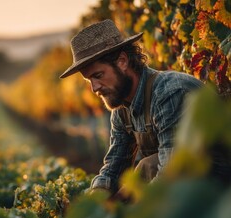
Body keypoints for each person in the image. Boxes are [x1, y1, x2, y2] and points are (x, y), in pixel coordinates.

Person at [60, 19, 203, 195]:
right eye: (89, 80)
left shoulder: (169, 92)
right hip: (186, 191)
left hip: (217, 195)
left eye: (98, 76)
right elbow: (114, 165)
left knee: (146, 167)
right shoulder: (122, 109)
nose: (94, 88)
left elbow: (170, 174)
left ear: (122, 61)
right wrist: (96, 198)